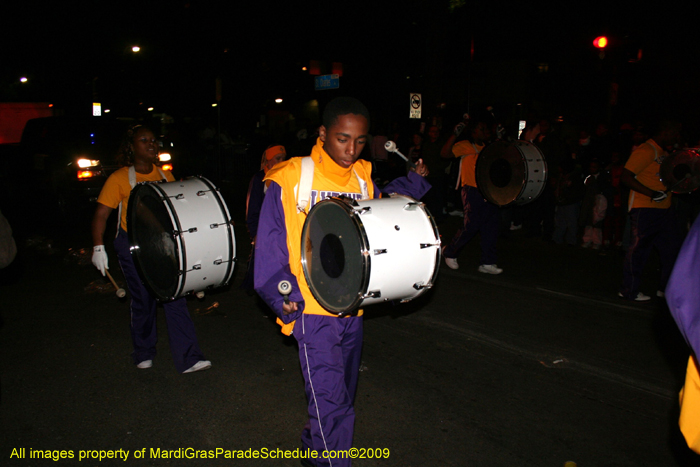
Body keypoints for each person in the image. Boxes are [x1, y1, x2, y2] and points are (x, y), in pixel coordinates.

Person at [254, 97, 429, 467]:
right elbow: (269, 246)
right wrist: (280, 293)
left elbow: (383, 218)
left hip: (352, 309)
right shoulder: (290, 177)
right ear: (323, 133)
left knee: (341, 395)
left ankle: (312, 446)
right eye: (342, 139)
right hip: (312, 310)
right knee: (332, 403)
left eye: (360, 141)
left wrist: (414, 182)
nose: (351, 150)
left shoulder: (363, 177)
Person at [91, 125, 211, 373]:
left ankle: (189, 357)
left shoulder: (166, 176)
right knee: (142, 299)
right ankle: (143, 351)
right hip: (132, 245)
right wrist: (98, 246)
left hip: (161, 245)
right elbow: (101, 214)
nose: (151, 144)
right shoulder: (119, 178)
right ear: (131, 147)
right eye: (144, 140)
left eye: (154, 140)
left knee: (174, 296)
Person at [618, 120, 682, 302]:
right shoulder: (646, 150)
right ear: (665, 132)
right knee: (639, 250)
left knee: (671, 250)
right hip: (645, 208)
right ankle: (628, 289)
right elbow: (625, 176)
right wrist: (651, 193)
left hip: (664, 210)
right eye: (674, 133)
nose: (675, 137)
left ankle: (665, 288)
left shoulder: (663, 153)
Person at [441, 119, 503, 274]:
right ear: (473, 131)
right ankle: (449, 252)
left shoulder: (488, 148)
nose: (484, 132)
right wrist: (454, 135)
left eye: (485, 129)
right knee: (471, 224)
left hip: (488, 191)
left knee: (491, 226)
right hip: (471, 190)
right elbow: (445, 153)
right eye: (481, 128)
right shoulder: (466, 146)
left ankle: (487, 263)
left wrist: (500, 140)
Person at [240, 145, 287, 292]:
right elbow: (252, 208)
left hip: (281, 229)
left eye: (283, 159)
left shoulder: (286, 177)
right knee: (261, 269)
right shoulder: (260, 179)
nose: (281, 162)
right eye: (277, 159)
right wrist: (255, 233)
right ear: (268, 160)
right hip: (265, 230)